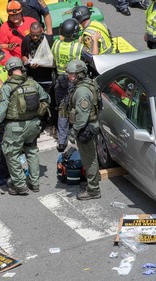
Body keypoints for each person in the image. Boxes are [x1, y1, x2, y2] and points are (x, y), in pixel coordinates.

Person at [0, 57, 50, 195]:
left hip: (15, 127)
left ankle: (20, 185)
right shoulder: (33, 83)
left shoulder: (7, 87)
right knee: (32, 151)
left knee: (11, 154)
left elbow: (1, 110)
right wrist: (39, 114)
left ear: (9, 71)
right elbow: (47, 98)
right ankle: (35, 183)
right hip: (33, 124)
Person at [51, 18, 98, 152]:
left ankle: (61, 141)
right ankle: (77, 133)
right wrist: (94, 40)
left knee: (62, 109)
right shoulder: (79, 47)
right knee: (78, 108)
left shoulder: (56, 44)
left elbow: (53, 63)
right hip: (74, 80)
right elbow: (94, 56)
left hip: (60, 80)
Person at [65, 59, 101, 200]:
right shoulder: (87, 83)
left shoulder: (82, 91)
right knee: (90, 156)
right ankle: (93, 181)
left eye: (72, 74)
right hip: (90, 125)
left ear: (80, 74)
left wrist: (73, 132)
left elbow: (82, 116)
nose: (69, 76)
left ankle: (93, 190)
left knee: (89, 159)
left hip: (85, 127)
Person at [21, 22, 56, 129]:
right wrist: (28, 62)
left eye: (37, 35)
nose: (35, 37)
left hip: (48, 77)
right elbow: (23, 55)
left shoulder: (49, 41)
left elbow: (54, 57)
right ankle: (41, 121)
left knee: (51, 101)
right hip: (34, 77)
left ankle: (53, 122)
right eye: (33, 35)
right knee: (37, 101)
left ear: (42, 32)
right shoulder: (26, 40)